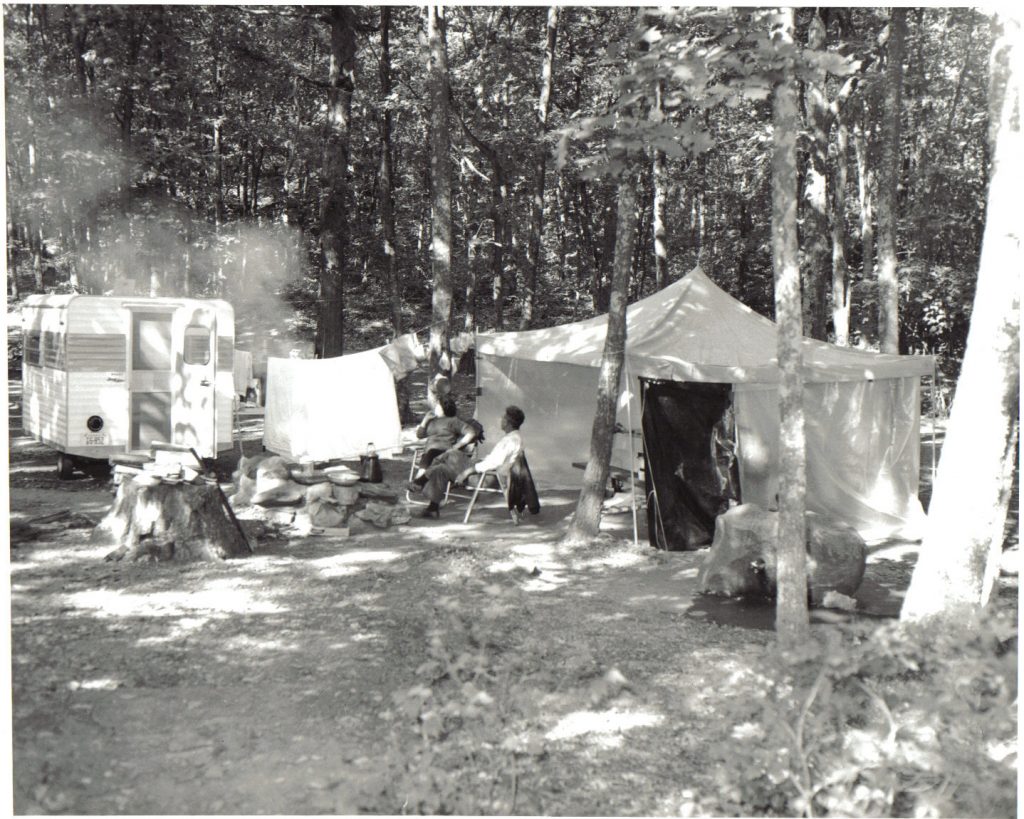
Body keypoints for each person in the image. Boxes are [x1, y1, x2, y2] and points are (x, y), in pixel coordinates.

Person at [410, 405, 526, 520]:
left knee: (451, 453)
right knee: (440, 469)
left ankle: (420, 481)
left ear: (508, 423)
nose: (501, 420)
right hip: (484, 472)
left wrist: (466, 473)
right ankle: (432, 509)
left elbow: (492, 463)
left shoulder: (510, 441)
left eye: (503, 418)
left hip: (484, 478)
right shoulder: (514, 438)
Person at [410, 395, 477, 487]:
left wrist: (457, 446)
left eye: (438, 405)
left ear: (444, 408)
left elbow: (471, 432)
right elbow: (420, 435)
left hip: (444, 453)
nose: (435, 407)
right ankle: (419, 482)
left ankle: (418, 481)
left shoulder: (453, 421)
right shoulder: (432, 420)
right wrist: (424, 421)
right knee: (429, 454)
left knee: (431, 453)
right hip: (428, 454)